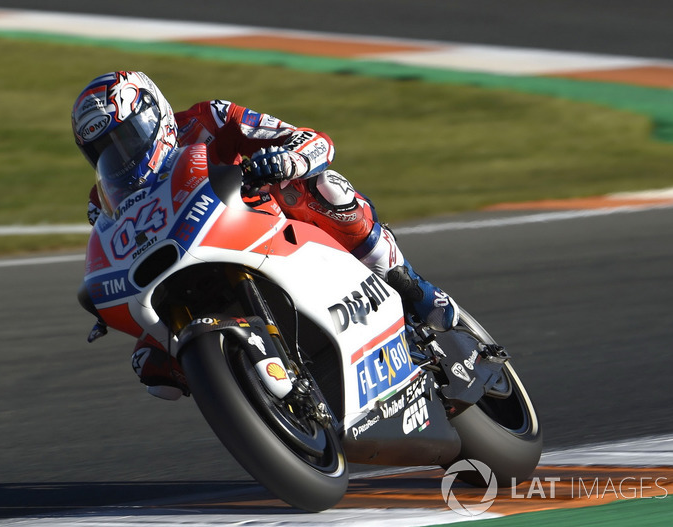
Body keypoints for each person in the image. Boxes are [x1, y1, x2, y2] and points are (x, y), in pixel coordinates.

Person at [73, 71, 458, 400]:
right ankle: (240, 388)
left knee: (324, 188)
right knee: (150, 366)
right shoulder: (102, 201)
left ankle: (409, 284)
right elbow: (115, 251)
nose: (121, 156)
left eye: (128, 137)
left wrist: (288, 159)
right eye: (104, 150)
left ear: (156, 114)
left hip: (266, 226)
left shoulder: (210, 119)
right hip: (188, 264)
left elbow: (310, 139)